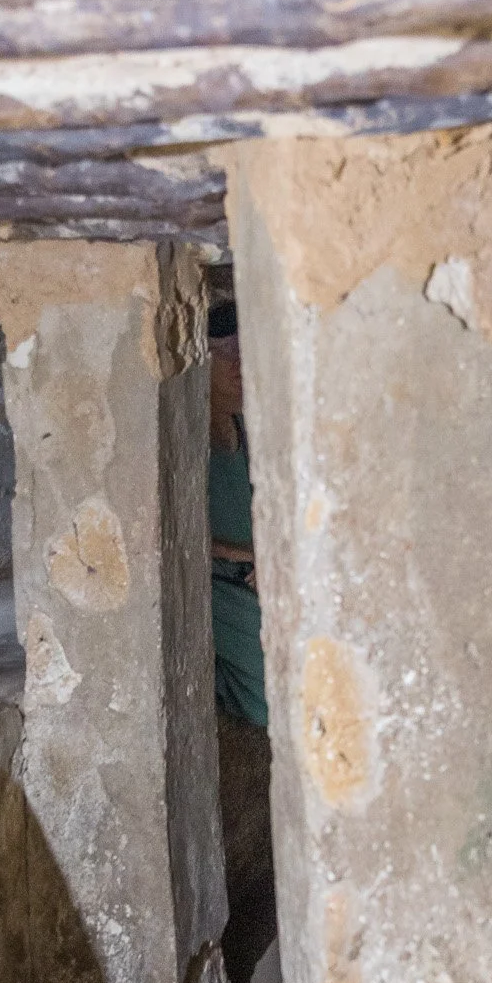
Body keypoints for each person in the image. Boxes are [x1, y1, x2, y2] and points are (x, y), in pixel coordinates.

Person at [205, 302, 267, 727]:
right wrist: (248, 555)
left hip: (260, 578)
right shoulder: (186, 435)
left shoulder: (253, 428)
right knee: (273, 693)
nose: (239, 363)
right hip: (214, 583)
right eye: (224, 352)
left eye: (243, 350)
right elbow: (166, 530)